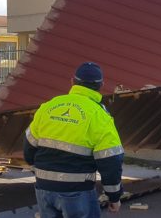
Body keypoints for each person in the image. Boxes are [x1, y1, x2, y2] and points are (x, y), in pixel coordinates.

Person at [24, 62, 124, 218]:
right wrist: (114, 197)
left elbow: (29, 147)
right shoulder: (99, 115)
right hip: (77, 192)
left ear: (72, 82)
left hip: (44, 188)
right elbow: (111, 160)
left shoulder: (49, 106)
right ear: (101, 86)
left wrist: (38, 168)